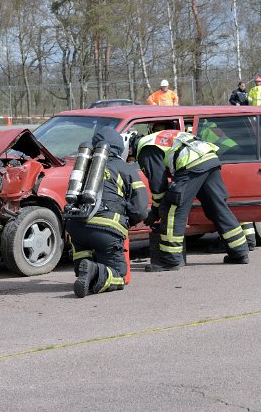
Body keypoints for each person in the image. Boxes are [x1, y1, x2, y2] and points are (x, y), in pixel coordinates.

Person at [132, 129, 250, 271]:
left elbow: (158, 185)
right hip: (209, 158)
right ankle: (240, 252)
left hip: (191, 163)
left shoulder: (145, 148)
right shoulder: (157, 136)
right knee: (217, 207)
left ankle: (170, 260)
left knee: (173, 209)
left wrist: (156, 211)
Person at [68, 127, 149, 298]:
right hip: (107, 229)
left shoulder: (84, 167)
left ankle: (85, 269)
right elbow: (140, 209)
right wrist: (127, 221)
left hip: (75, 226)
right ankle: (93, 270)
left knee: (84, 254)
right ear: (119, 147)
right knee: (119, 275)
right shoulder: (125, 169)